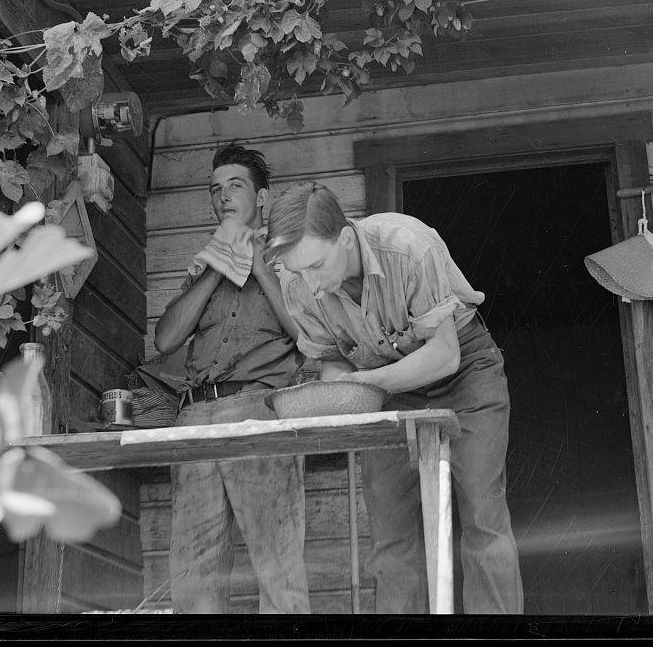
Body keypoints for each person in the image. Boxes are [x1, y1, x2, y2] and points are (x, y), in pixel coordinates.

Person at [265, 182, 524, 614]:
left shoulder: (409, 246)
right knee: (390, 534)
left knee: (483, 516)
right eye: (298, 271)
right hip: (385, 387)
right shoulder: (297, 284)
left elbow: (444, 355)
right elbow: (332, 361)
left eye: (315, 266)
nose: (308, 285)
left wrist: (367, 386)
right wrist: (337, 389)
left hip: (464, 376)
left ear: (345, 238)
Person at [153, 143, 309, 614]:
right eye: (215, 190)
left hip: (257, 412)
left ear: (262, 198)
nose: (223, 197)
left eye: (235, 185)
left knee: (278, 572)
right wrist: (214, 270)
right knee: (195, 579)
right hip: (196, 416)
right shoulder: (203, 264)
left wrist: (258, 264)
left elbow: (309, 336)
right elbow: (166, 340)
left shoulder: (292, 258)